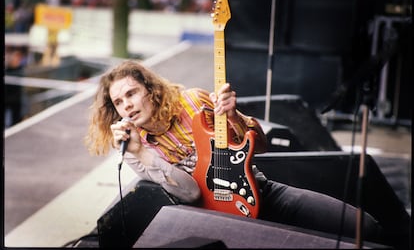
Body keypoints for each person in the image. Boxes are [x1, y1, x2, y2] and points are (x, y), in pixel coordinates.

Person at [85, 60, 386, 246]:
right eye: (119, 101)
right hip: (213, 218)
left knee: (365, 227)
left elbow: (261, 147)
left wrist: (233, 118)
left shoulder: (193, 102)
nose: (126, 104)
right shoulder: (135, 146)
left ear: (150, 89)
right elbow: (189, 193)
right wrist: (141, 152)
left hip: (259, 192)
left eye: (131, 93)